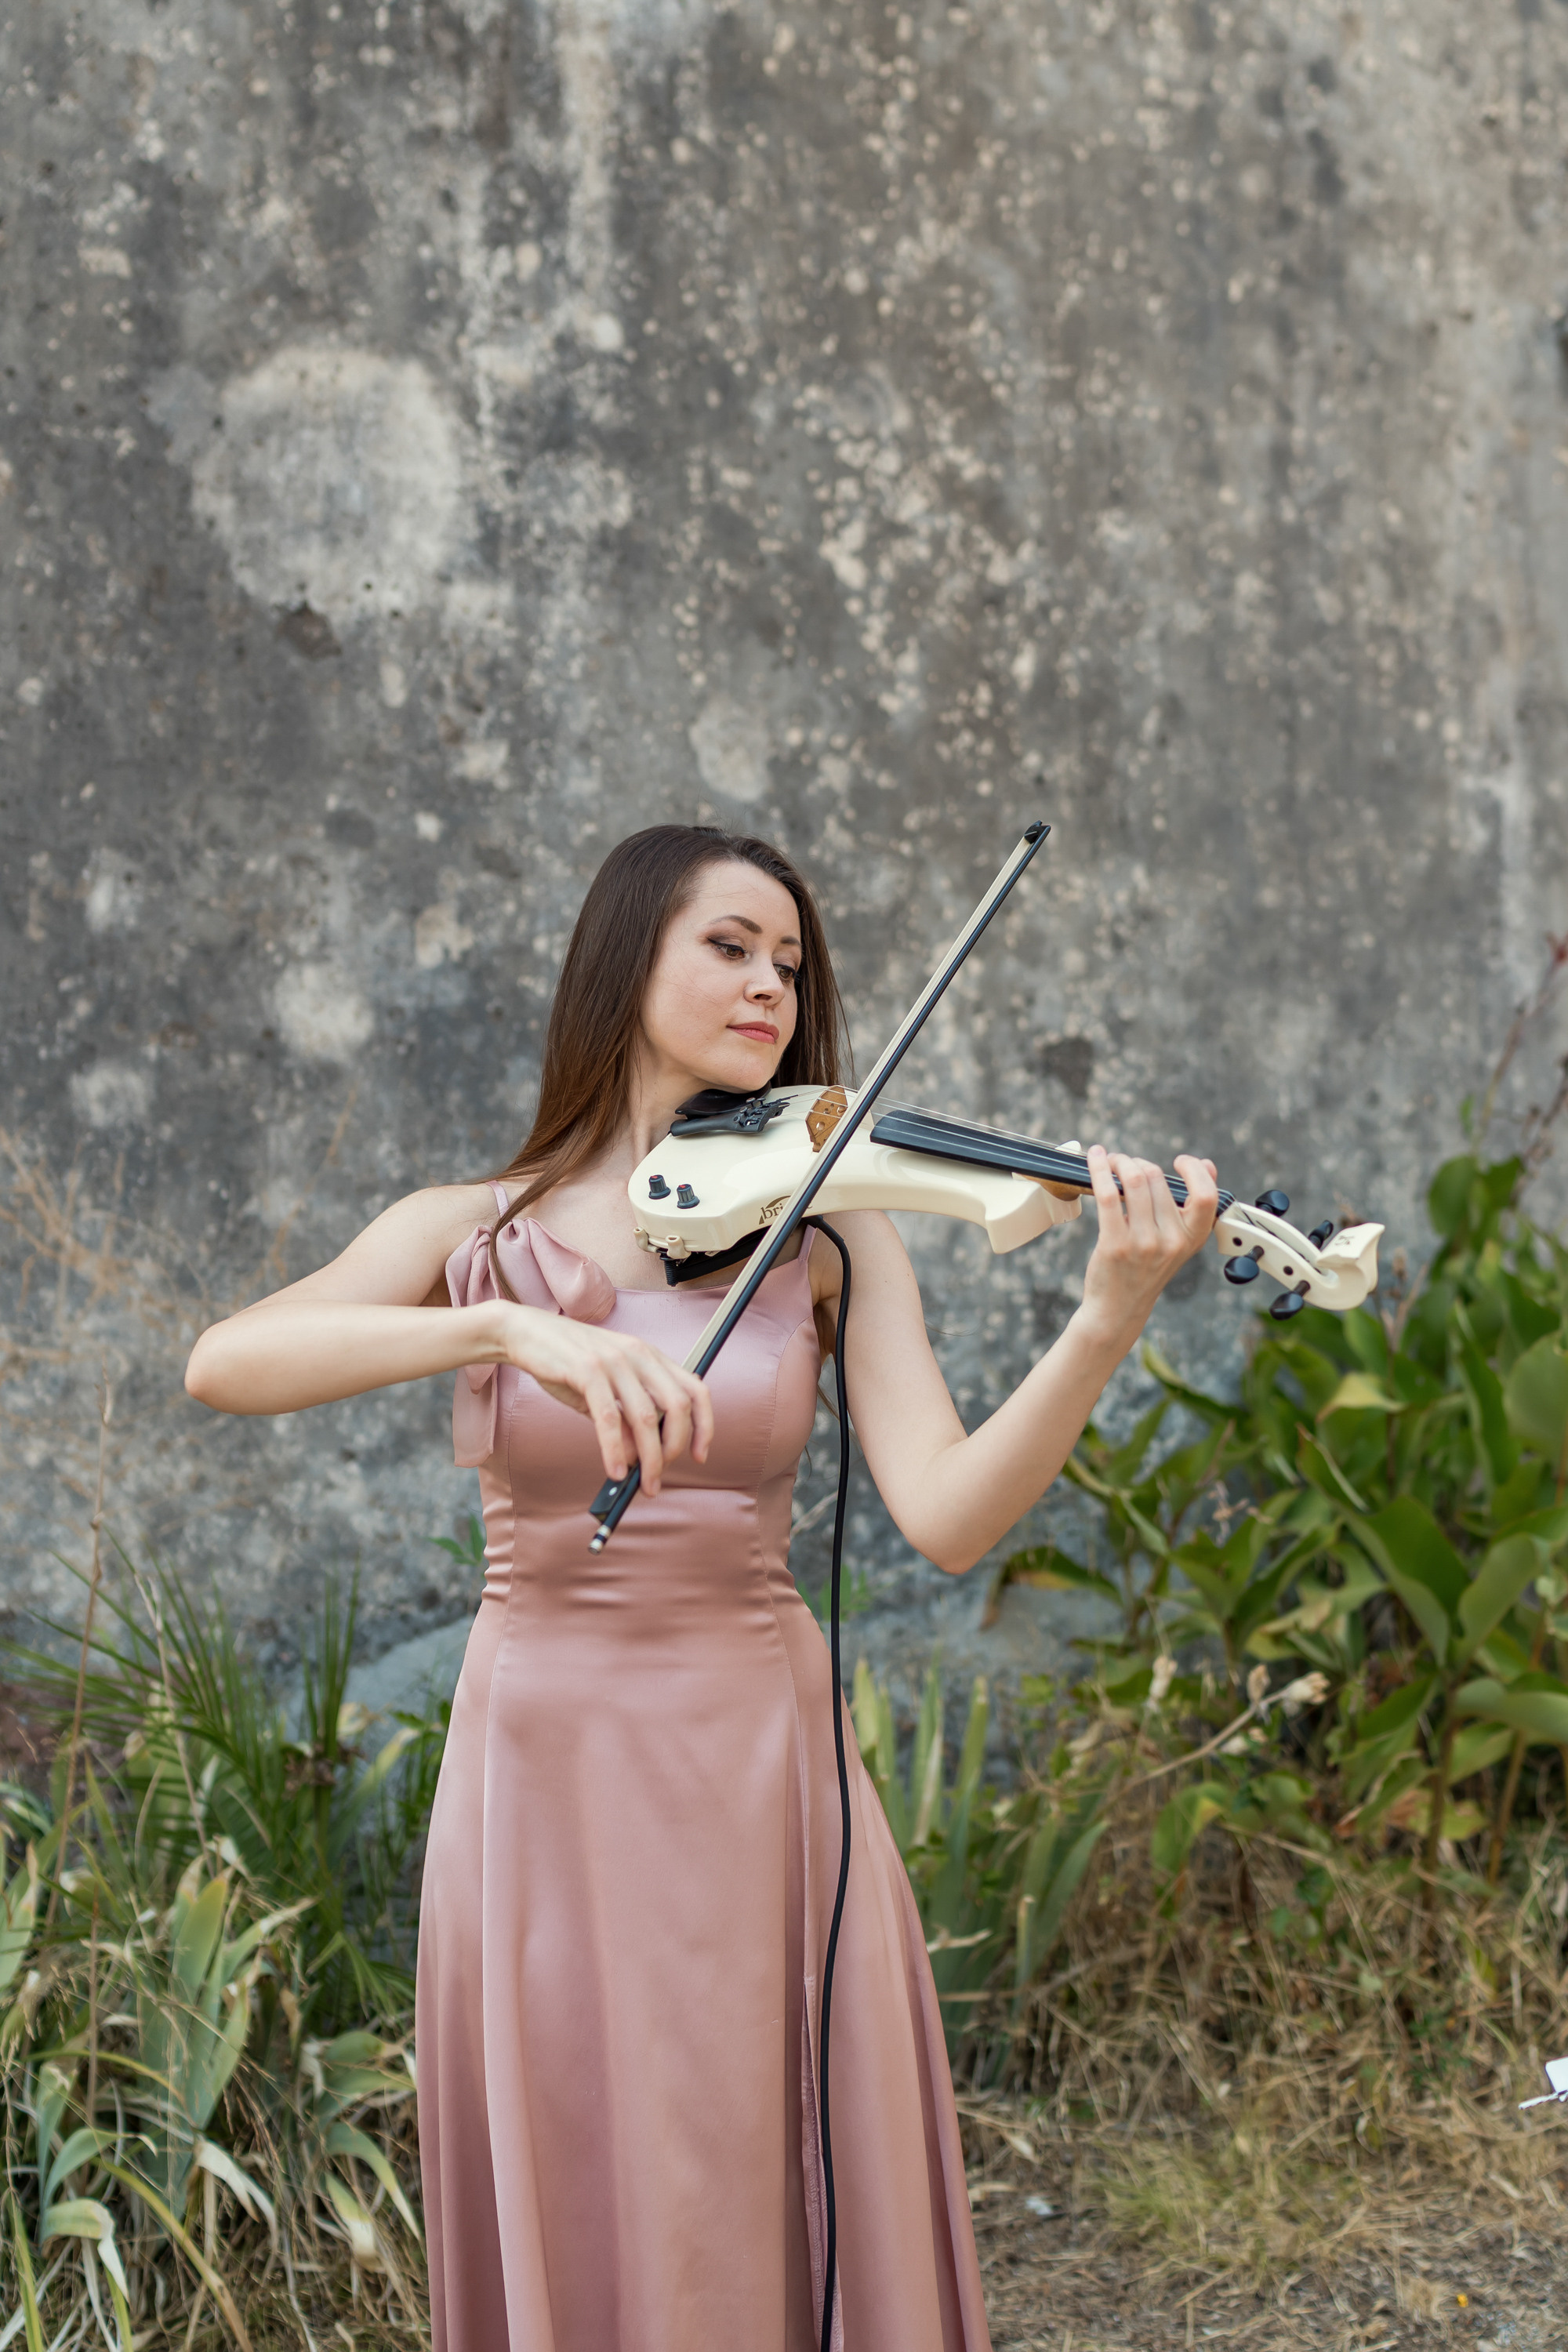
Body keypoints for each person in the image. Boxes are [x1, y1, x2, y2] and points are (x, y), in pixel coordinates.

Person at [186, 822, 1218, 2352]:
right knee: (591, 2146)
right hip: (545, 1759)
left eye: (790, 964)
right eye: (728, 946)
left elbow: (940, 1514)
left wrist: (1103, 1323)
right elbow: (227, 1364)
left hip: (758, 1753)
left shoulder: (829, 1231)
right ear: (625, 960)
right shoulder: (469, 1231)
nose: (769, 988)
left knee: (764, 2145)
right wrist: (503, 1334)